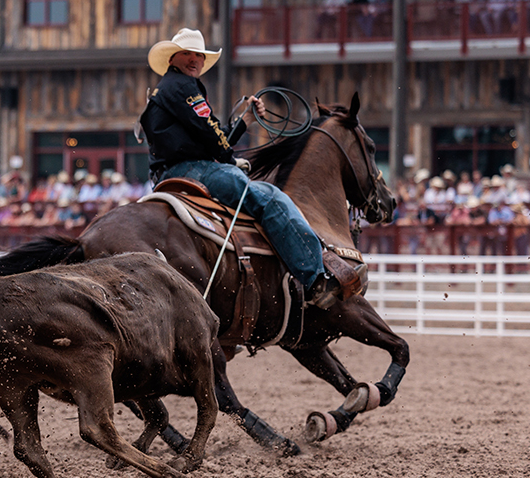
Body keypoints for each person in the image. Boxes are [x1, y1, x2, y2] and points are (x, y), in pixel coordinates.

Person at [140, 28, 366, 307]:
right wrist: (229, 158)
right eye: (187, 53)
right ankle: (315, 278)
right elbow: (212, 136)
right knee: (270, 198)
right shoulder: (185, 88)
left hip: (173, 172)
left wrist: (245, 121)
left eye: (199, 54)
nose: (194, 59)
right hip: (192, 170)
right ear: (173, 58)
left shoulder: (168, 88)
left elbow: (208, 136)